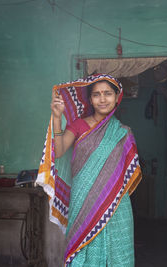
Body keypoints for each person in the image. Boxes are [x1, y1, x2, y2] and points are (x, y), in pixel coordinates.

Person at [37, 74, 142, 267]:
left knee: (118, 255)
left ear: (117, 96)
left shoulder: (123, 132)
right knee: (83, 248)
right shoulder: (79, 125)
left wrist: (109, 194)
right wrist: (57, 116)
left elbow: (128, 173)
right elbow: (58, 151)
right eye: (97, 94)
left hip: (116, 203)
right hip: (83, 198)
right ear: (90, 99)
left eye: (108, 94)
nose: (102, 99)